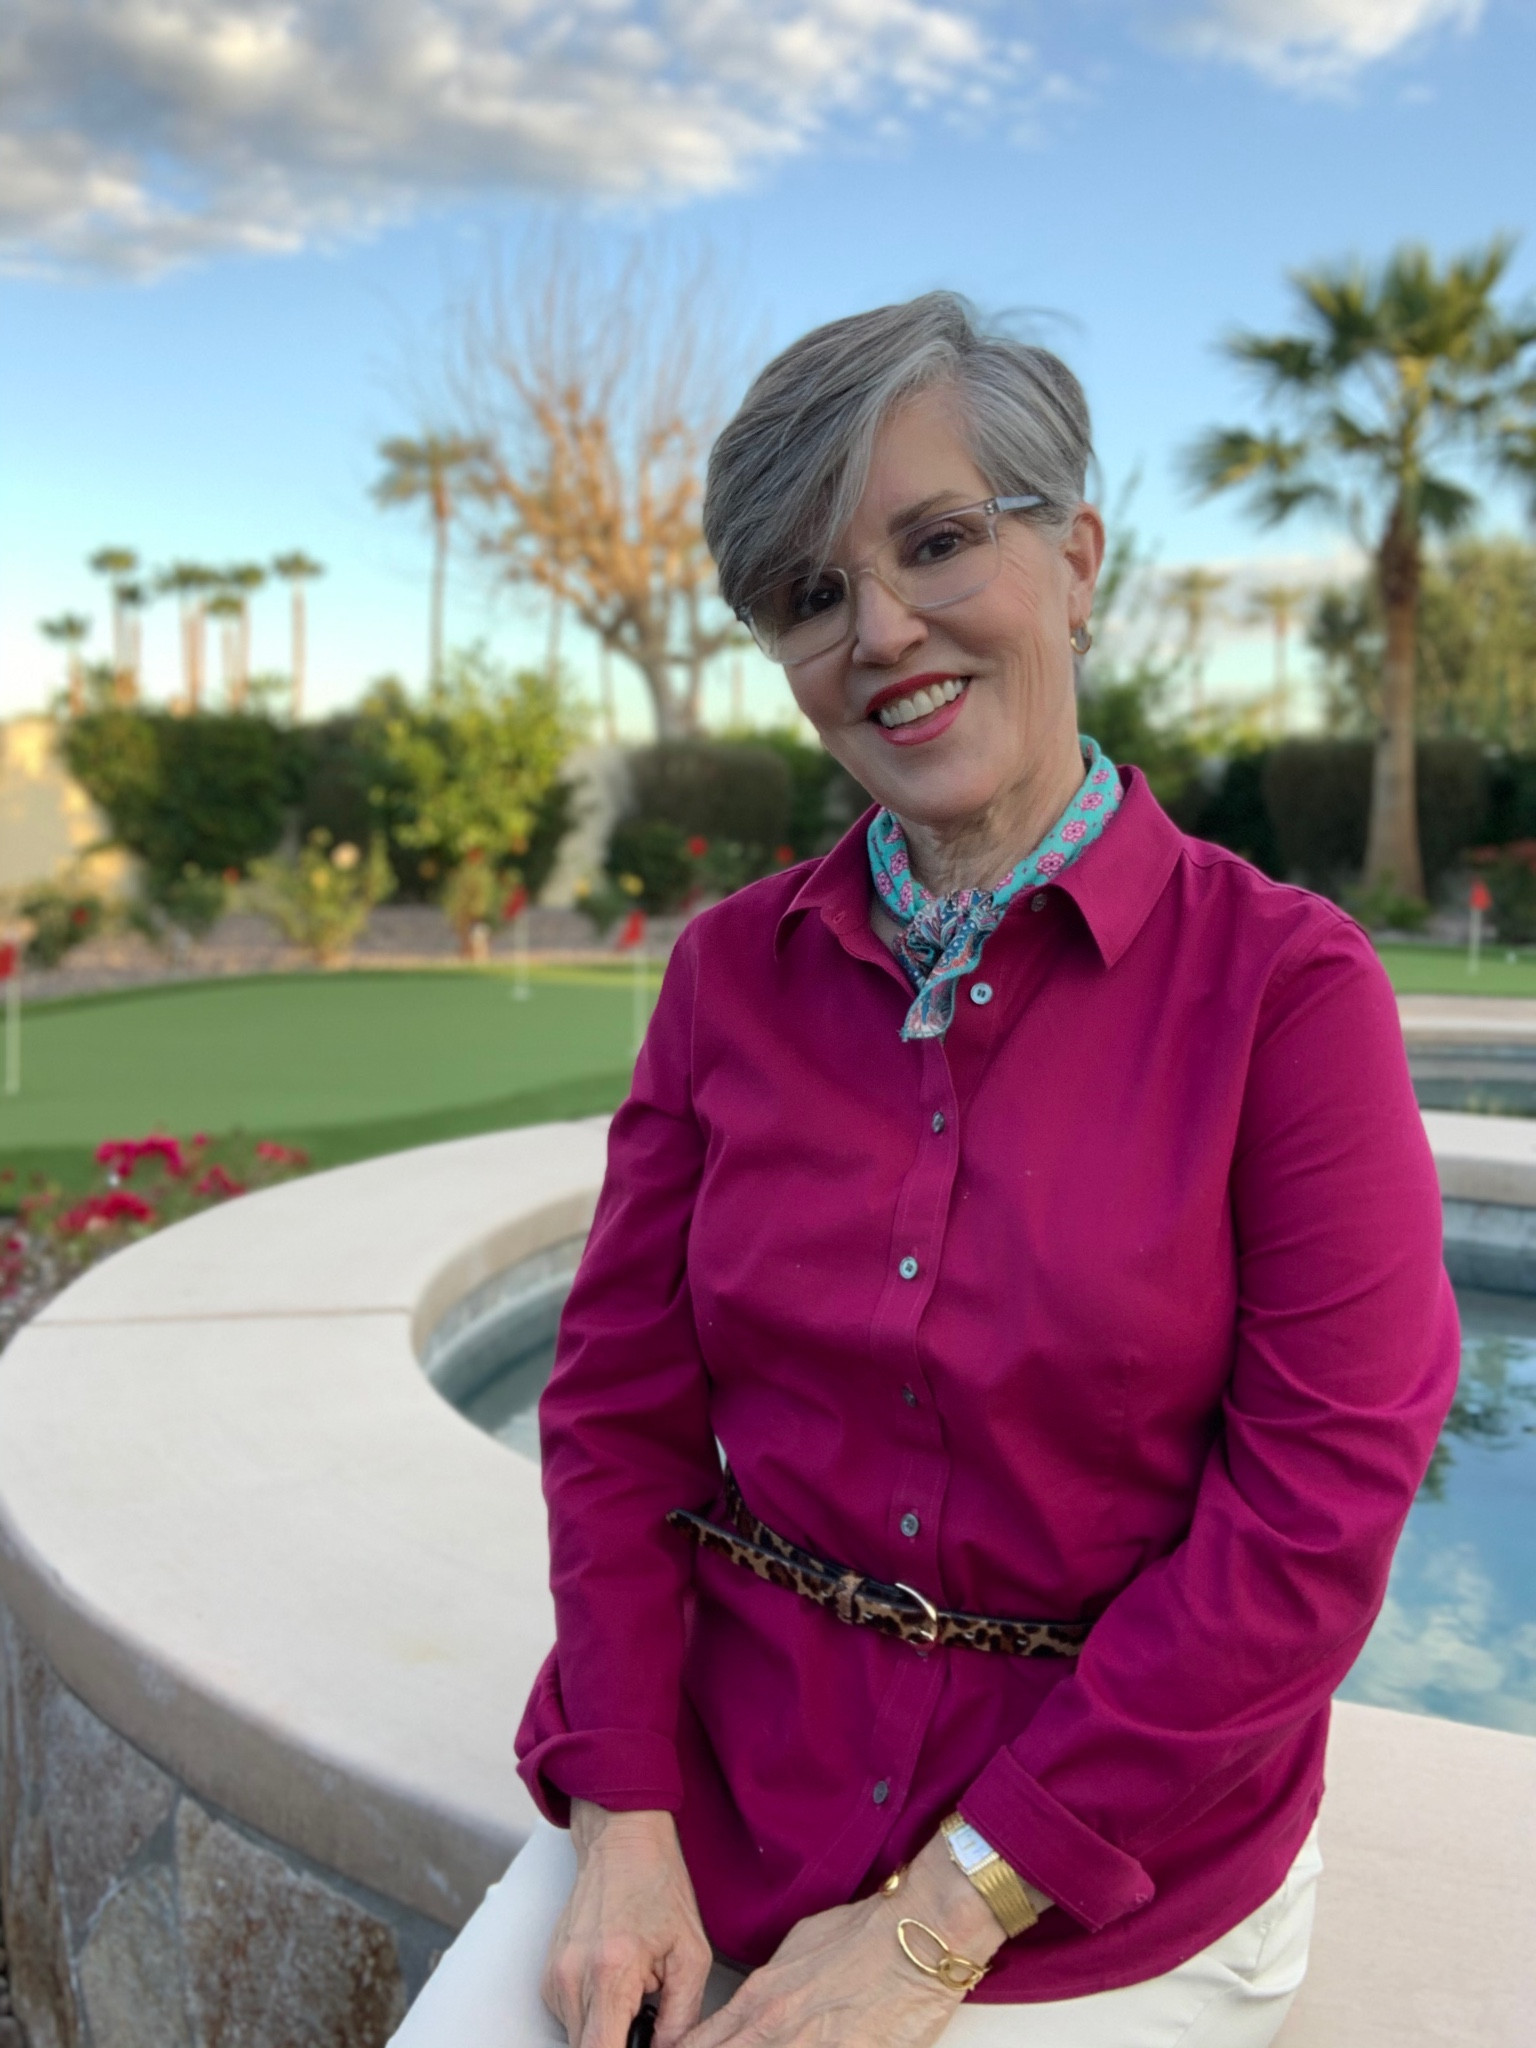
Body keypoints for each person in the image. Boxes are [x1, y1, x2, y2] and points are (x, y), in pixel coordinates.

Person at [389, 293, 1458, 2048]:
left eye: (938, 541)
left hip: (1111, 1865)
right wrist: (627, 1817)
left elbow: (1313, 1517)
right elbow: (617, 1421)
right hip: (723, 1798)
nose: (881, 629)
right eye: (812, 597)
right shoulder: (730, 974)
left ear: (1077, 557)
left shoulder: (1288, 989)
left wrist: (935, 1927)